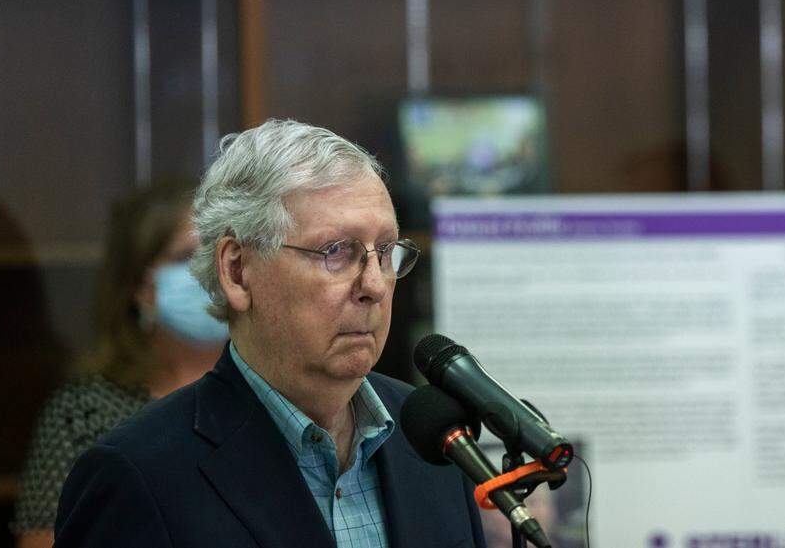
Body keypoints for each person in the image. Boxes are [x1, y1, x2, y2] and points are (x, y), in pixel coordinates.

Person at [54, 119, 486, 547]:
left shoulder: (436, 442)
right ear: (237, 271)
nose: (374, 285)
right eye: (336, 251)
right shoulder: (138, 475)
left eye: (385, 251)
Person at [12, 181, 228, 548]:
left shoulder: (274, 391)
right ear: (139, 286)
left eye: (216, 252)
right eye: (185, 257)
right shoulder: (83, 414)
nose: (206, 272)